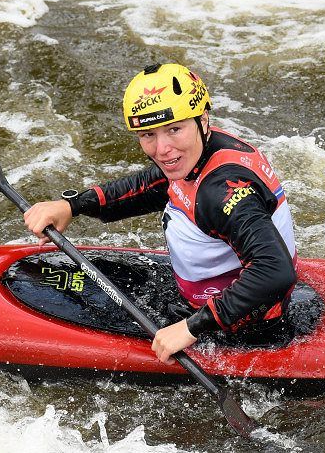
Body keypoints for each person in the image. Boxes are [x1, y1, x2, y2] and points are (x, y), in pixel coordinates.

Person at [23, 63, 297, 365]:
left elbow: (276, 271)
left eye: (174, 130)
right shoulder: (200, 151)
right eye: (148, 134)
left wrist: (191, 328)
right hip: (204, 298)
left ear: (202, 119)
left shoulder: (222, 190)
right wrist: (74, 205)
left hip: (244, 328)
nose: (162, 148)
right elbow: (150, 185)